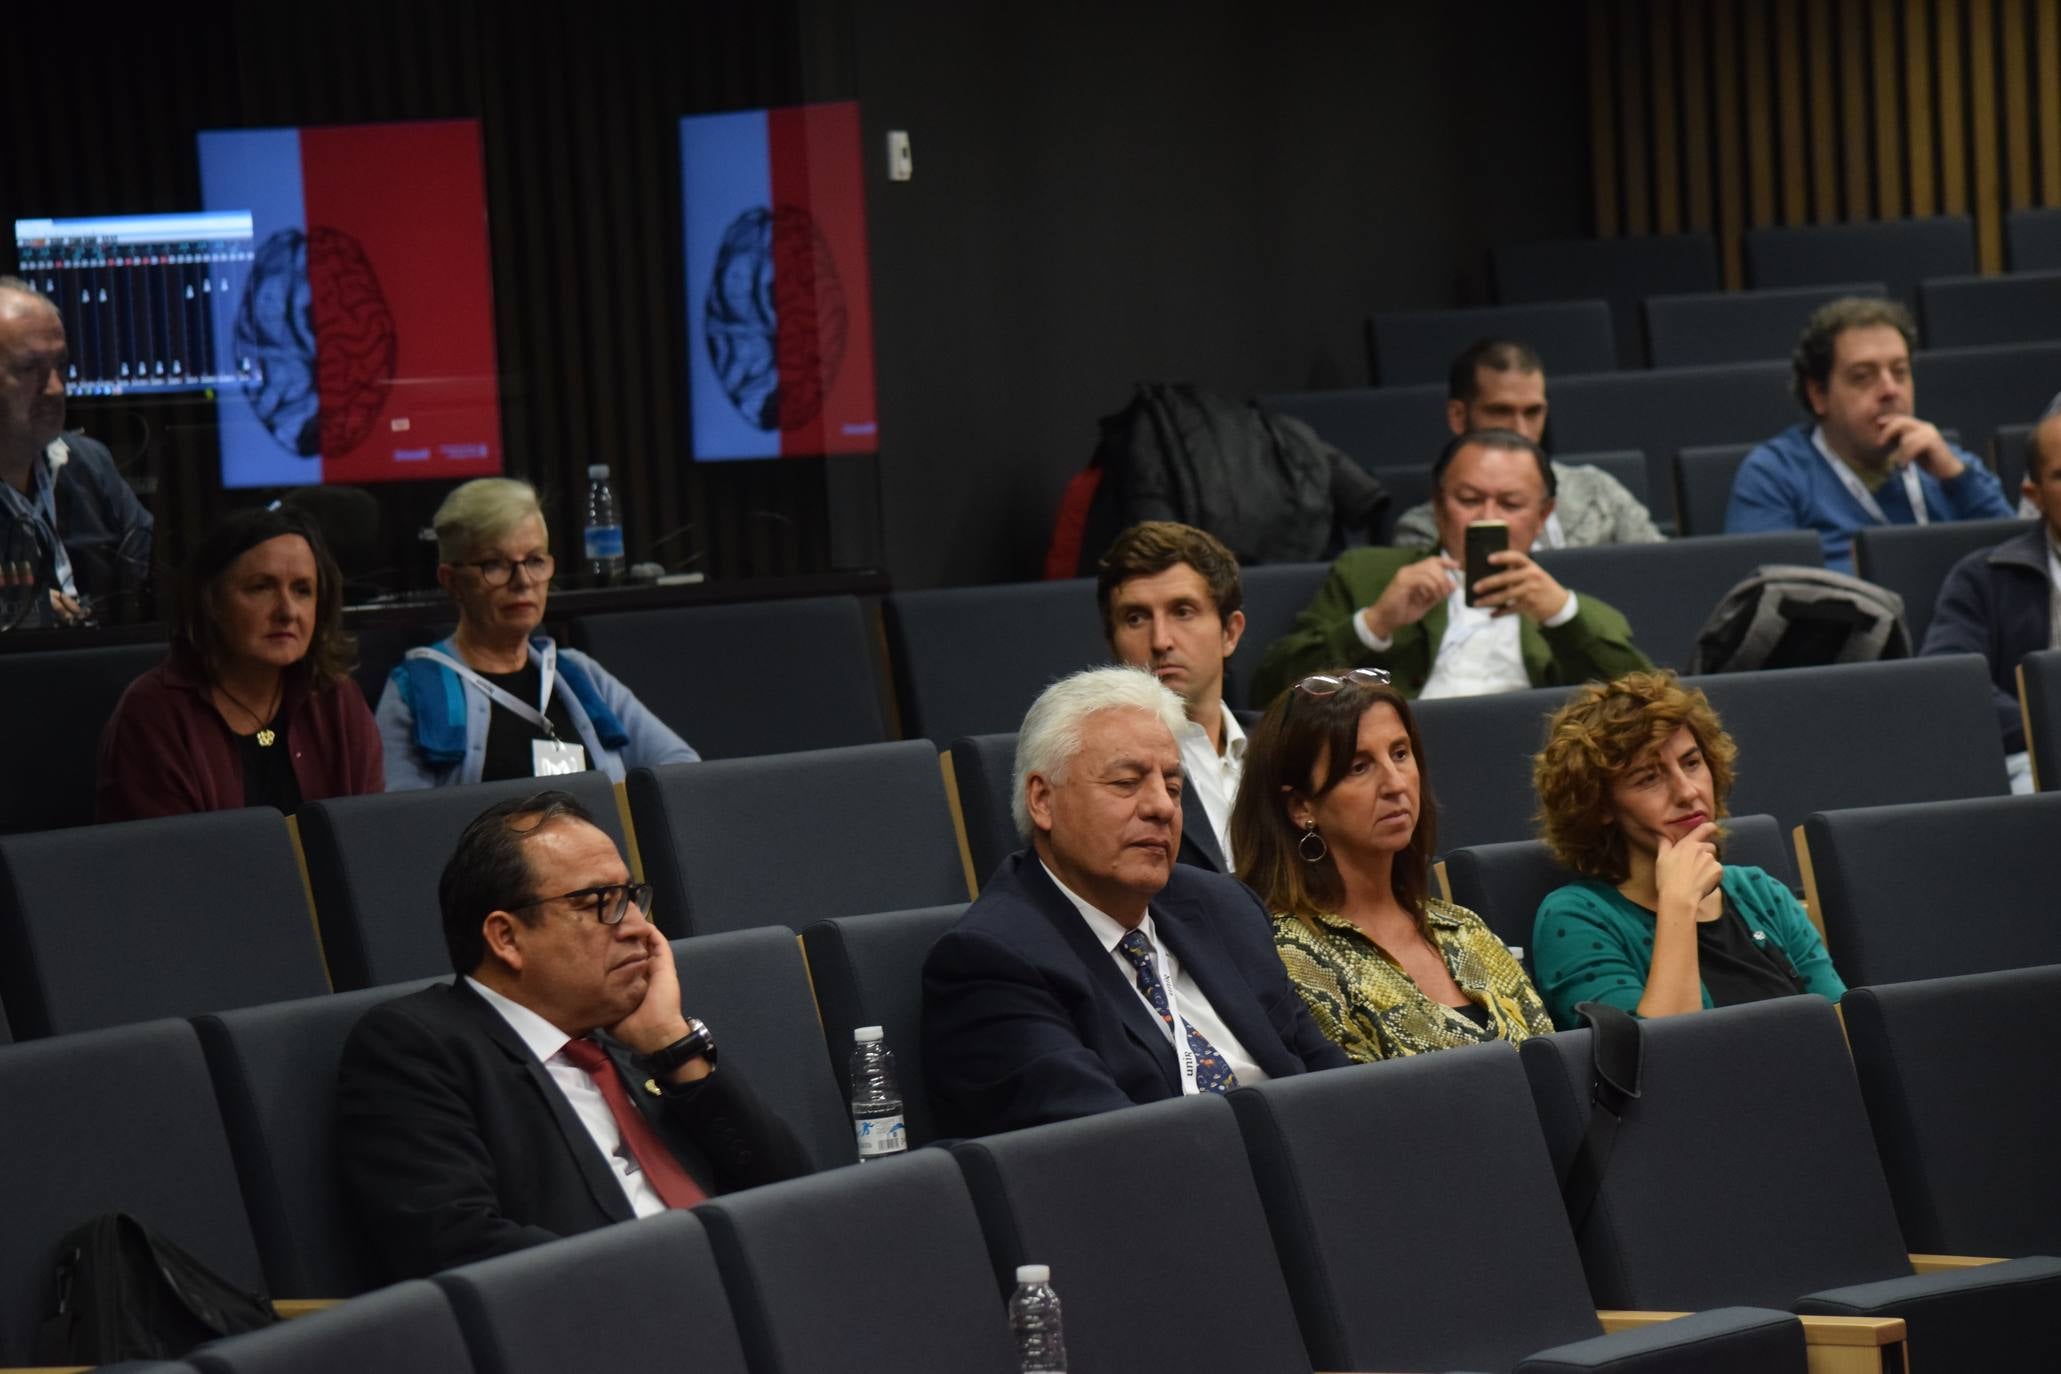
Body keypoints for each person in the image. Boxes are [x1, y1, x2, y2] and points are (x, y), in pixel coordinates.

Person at [336, 790, 811, 1280]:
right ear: (507, 938)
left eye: (630, 899)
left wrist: (673, 1043)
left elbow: (796, 1199)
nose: (637, 928)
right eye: (596, 903)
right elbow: (457, 1245)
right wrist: (670, 1277)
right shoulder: (417, 1047)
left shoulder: (633, 1046)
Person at [921, 666, 1349, 1139]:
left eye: (1172, 785)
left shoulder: (1224, 908)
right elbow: (1114, 1149)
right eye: (1126, 783)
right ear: (1042, 801)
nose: (1162, 807)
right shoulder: (993, 961)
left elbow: (1333, 1081)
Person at [1233, 666, 1551, 1061]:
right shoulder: (1292, 953)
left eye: (1400, 754)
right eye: (1359, 767)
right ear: (1302, 807)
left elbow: (1553, 1065)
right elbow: (1371, 1105)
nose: (1396, 784)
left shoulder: (1462, 928)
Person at [1529, 671, 1845, 1029]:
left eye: (1692, 763)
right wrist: (1678, 903)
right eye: (1649, 777)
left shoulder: (1761, 892)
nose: (1687, 791)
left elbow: (1842, 1031)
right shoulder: (1576, 917)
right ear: (1600, 806)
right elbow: (1659, 1069)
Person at [1250, 429, 1652, 705]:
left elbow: (1648, 705)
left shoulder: (1571, 608)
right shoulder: (1366, 574)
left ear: (1543, 515)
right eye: (1469, 499)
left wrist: (1562, 616)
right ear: (1439, 506)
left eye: (1511, 504)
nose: (1487, 517)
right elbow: (1271, 690)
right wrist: (1375, 624)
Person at [377, 477, 698, 788]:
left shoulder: (577, 674)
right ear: (451, 580)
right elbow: (403, 824)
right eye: (495, 564)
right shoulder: (415, 688)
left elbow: (681, 768)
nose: (523, 581)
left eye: (534, 560)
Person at [96, 506, 381, 820]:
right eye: (261, 587)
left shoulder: (337, 698)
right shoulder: (153, 712)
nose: (288, 611)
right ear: (211, 600)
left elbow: (366, 839)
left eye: (302, 591)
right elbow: (166, 859)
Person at [1725, 296, 2012, 572]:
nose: (1890, 390)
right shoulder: (1775, 475)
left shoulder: (1949, 466)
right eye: (1863, 376)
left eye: (1900, 372)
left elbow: (2022, 567)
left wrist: (1958, 479)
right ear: (1818, 394)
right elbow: (1768, 595)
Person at [1392, 338, 1664, 551]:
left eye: (1533, 412)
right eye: (1500, 411)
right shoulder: (1424, 530)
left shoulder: (1597, 491)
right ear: (1458, 416)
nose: (1520, 430)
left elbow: (1659, 571)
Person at [1923, 393, 2061, 792]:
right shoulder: (1983, 578)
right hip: (2034, 762)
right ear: (2033, 495)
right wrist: (2046, 729)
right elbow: (1951, 678)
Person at [0, 278, 153, 625]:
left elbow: (152, 576)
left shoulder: (86, 463)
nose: (54, 388)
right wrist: (25, 611)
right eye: (29, 369)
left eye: (60, 366)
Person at [1098, 520, 1247, 872]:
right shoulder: (1102, 776)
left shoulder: (1288, 750)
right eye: (1136, 618)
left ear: (1230, 632)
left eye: (1182, 611)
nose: (1161, 640)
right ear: (1112, 643)